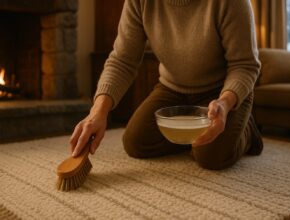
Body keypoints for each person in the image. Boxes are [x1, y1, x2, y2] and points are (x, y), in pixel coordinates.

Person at [70, 0, 263, 170]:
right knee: (136, 143)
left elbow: (244, 66)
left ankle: (247, 130)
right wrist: (98, 112)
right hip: (172, 89)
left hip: (222, 93)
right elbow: (122, 60)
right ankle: (195, 137)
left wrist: (225, 103)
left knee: (211, 157)